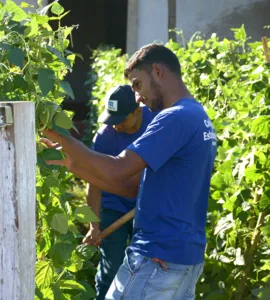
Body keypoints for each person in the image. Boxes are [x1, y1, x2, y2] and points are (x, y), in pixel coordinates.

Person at [42, 43, 217, 299]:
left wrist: (67, 141)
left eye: (137, 84)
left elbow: (117, 169)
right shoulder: (197, 116)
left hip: (157, 258)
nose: (137, 97)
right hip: (183, 259)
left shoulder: (174, 118)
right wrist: (74, 164)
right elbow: (132, 188)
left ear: (157, 72)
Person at [83, 85, 155, 299]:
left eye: (121, 120)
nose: (116, 126)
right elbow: (94, 182)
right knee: (111, 267)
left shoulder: (156, 125)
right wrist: (93, 226)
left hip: (148, 207)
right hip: (113, 206)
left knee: (146, 267)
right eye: (112, 120)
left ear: (138, 111)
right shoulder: (105, 137)